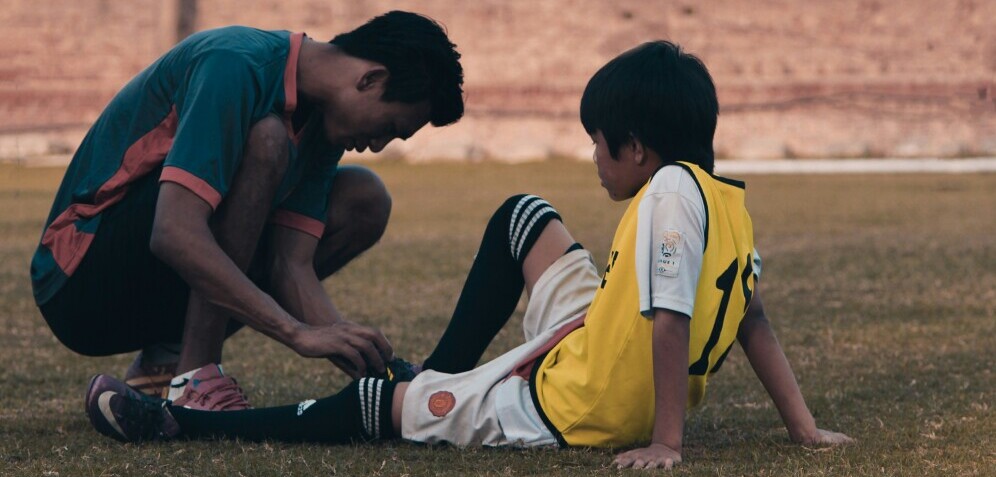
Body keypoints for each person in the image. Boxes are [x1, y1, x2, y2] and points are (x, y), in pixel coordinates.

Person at [83, 40, 852, 469]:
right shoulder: (725, 198)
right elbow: (752, 317)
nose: (593, 157)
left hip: (576, 400)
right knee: (523, 216)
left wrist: (665, 442)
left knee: (382, 410)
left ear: (638, 149)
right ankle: (443, 371)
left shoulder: (666, 198)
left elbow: (672, 321)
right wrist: (804, 427)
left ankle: (178, 426)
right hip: (594, 335)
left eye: (598, 143)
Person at [32, 11, 464, 410]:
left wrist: (378, 372)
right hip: (79, 281)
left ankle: (164, 362)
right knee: (268, 139)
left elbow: (290, 265)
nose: (378, 145)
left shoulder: (322, 126)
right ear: (370, 78)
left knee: (364, 197)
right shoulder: (234, 63)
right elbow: (173, 231)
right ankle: (195, 376)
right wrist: (294, 332)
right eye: (389, 128)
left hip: (147, 295)